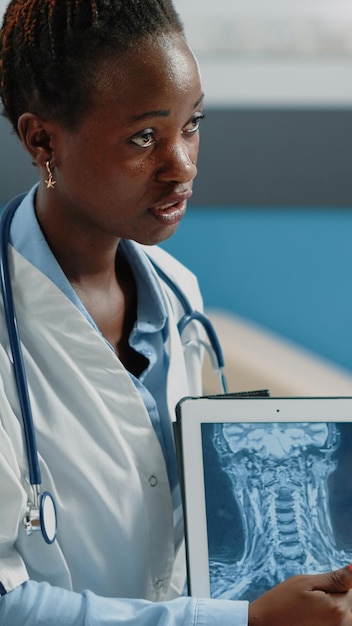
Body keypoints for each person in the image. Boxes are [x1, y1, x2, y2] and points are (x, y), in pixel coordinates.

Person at [0, 1, 352, 624]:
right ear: (42, 140)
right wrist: (243, 622)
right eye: (144, 137)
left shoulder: (177, 295)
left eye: (192, 124)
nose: (183, 166)